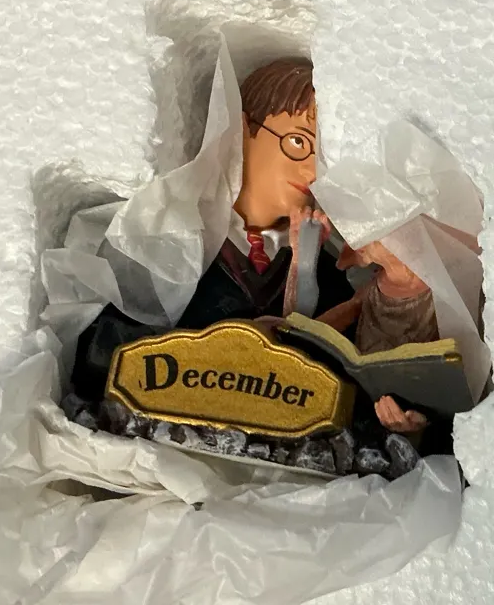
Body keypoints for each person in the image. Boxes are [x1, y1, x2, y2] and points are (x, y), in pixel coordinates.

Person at [70, 57, 356, 401]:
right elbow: (101, 356)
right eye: (298, 143)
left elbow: (352, 377)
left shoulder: (328, 273)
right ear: (242, 130)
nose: (311, 171)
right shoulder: (173, 240)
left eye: (322, 157)